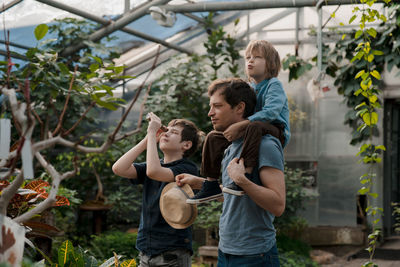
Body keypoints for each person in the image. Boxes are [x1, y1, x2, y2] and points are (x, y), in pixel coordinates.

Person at [176, 78, 285, 266]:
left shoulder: (265, 145)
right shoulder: (230, 146)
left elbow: (278, 205)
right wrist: (201, 183)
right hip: (225, 251)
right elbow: (235, 194)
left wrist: (242, 180)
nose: (210, 113)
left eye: (217, 106)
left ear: (239, 107)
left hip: (255, 256)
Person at [187, 40, 290, 204]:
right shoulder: (250, 87)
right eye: (248, 57)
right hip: (253, 130)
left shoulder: (273, 84)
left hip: (276, 129)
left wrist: (242, 124)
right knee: (214, 137)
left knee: (255, 126)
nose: (250, 60)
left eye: (257, 57)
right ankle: (211, 183)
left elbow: (271, 112)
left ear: (270, 64)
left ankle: (245, 173)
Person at [112, 112, 202, 267]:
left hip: (172, 252)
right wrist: (148, 138)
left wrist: (152, 132)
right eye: (166, 131)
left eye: (173, 132)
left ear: (186, 145)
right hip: (146, 250)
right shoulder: (153, 165)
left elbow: (154, 172)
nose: (166, 134)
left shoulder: (187, 168)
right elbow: (119, 168)